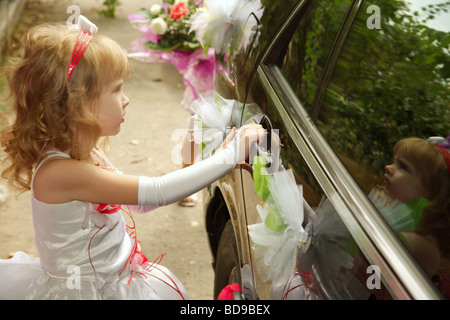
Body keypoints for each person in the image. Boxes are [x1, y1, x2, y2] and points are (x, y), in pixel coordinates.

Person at [0, 19, 265, 300]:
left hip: (114, 281)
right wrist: (230, 155)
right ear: (75, 103)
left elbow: (139, 203)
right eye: (116, 90)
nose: (126, 100)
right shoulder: (60, 172)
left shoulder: (83, 154)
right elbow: (155, 192)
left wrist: (221, 158)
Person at [383, 137, 450, 298]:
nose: (388, 167)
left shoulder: (425, 246)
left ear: (433, 196)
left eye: (403, 167)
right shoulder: (392, 215)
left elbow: (374, 243)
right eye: (394, 161)